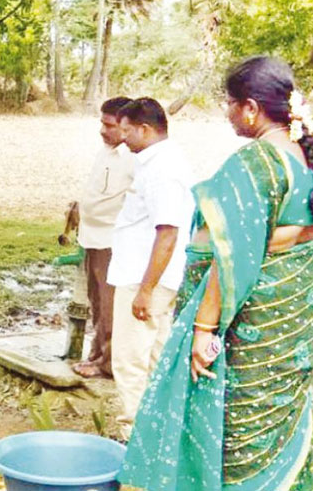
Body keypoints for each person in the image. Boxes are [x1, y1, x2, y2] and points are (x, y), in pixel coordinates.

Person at [120, 56, 313, 490]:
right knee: (278, 425)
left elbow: (232, 256)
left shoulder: (256, 163)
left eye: (228, 103)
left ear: (250, 107)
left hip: (250, 326)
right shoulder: (304, 156)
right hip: (293, 323)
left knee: (237, 432)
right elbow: (283, 235)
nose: (226, 113)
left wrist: (204, 330)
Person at [107, 97, 195, 439]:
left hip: (145, 279)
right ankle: (157, 432)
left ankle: (133, 436)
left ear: (144, 129)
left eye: (127, 131)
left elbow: (168, 232)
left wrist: (145, 289)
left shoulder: (163, 169)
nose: (122, 138)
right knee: (156, 357)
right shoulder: (155, 161)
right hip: (147, 276)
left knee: (130, 360)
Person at [72, 96, 135, 379]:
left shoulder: (133, 158)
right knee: (96, 303)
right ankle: (98, 354)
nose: (102, 130)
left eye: (109, 125)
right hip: (92, 237)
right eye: (101, 123)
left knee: (110, 305)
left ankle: (109, 362)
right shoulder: (105, 152)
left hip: (113, 240)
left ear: (125, 126)